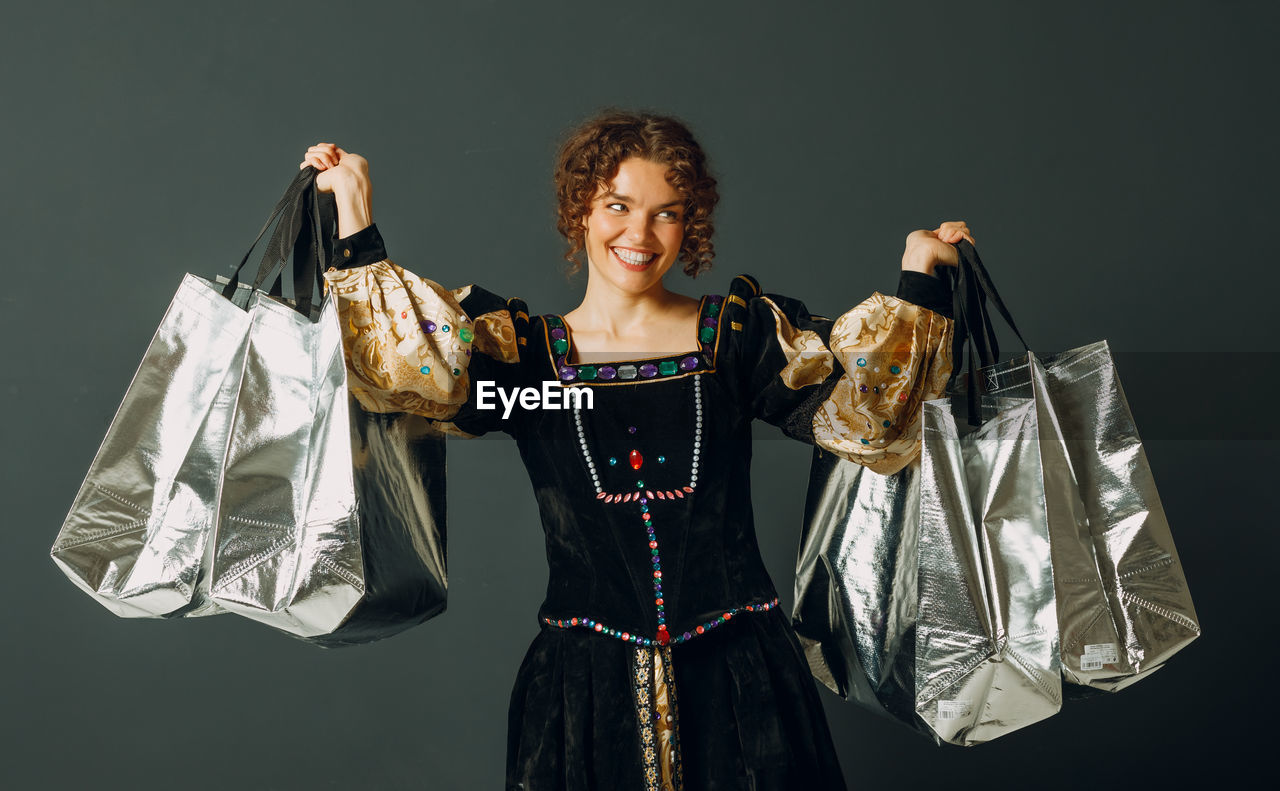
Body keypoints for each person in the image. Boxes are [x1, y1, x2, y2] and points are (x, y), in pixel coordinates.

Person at [302, 110, 965, 791]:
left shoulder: (734, 341)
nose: (639, 235)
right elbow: (409, 370)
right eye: (618, 205)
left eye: (666, 213)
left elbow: (871, 412)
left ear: (690, 224)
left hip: (746, 690)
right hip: (583, 700)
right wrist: (354, 210)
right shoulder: (528, 363)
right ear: (581, 209)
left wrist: (918, 274)